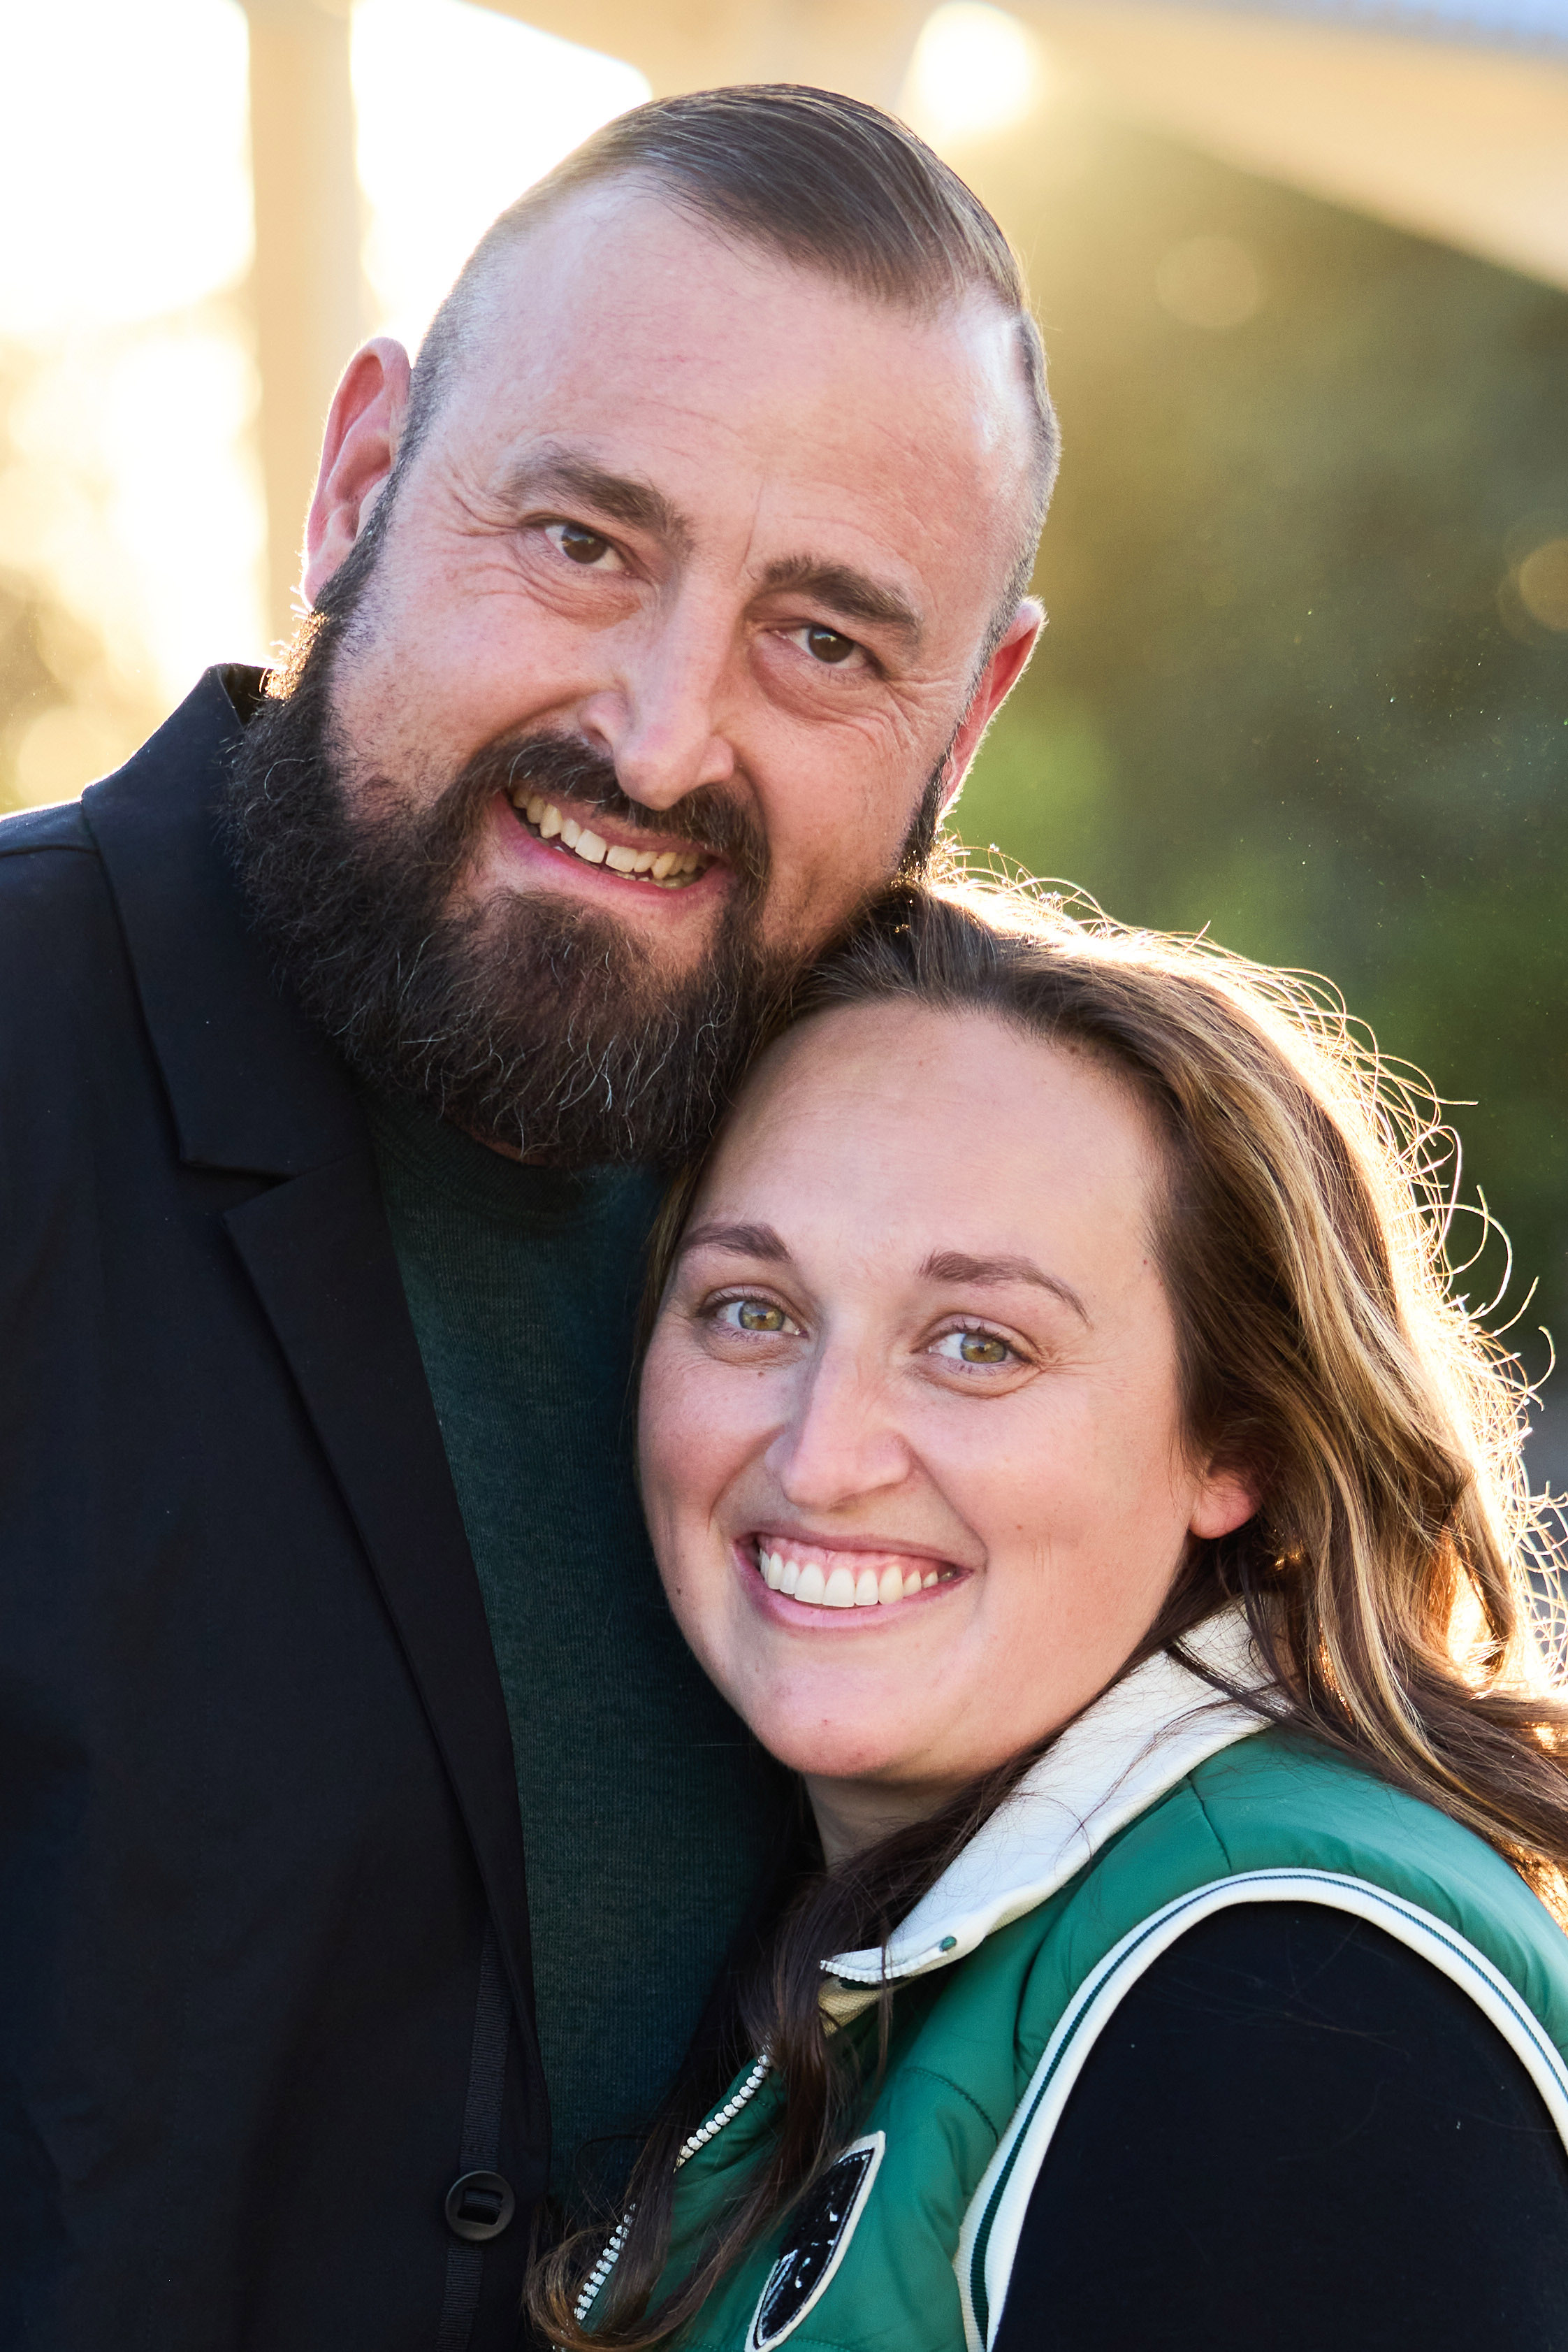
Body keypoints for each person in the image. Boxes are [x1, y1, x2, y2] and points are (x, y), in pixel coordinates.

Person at [0, 92, 1053, 2351]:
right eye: (583, 540)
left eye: (825, 642)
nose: (662, 737)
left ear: (969, 709)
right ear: (360, 477)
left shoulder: (979, 1301)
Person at [529, 883, 1568, 2351]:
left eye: (979, 1344)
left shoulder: (1288, 1999)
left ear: (1237, 1444)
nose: (824, 1455)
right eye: (751, 1309)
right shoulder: (903, 1951)